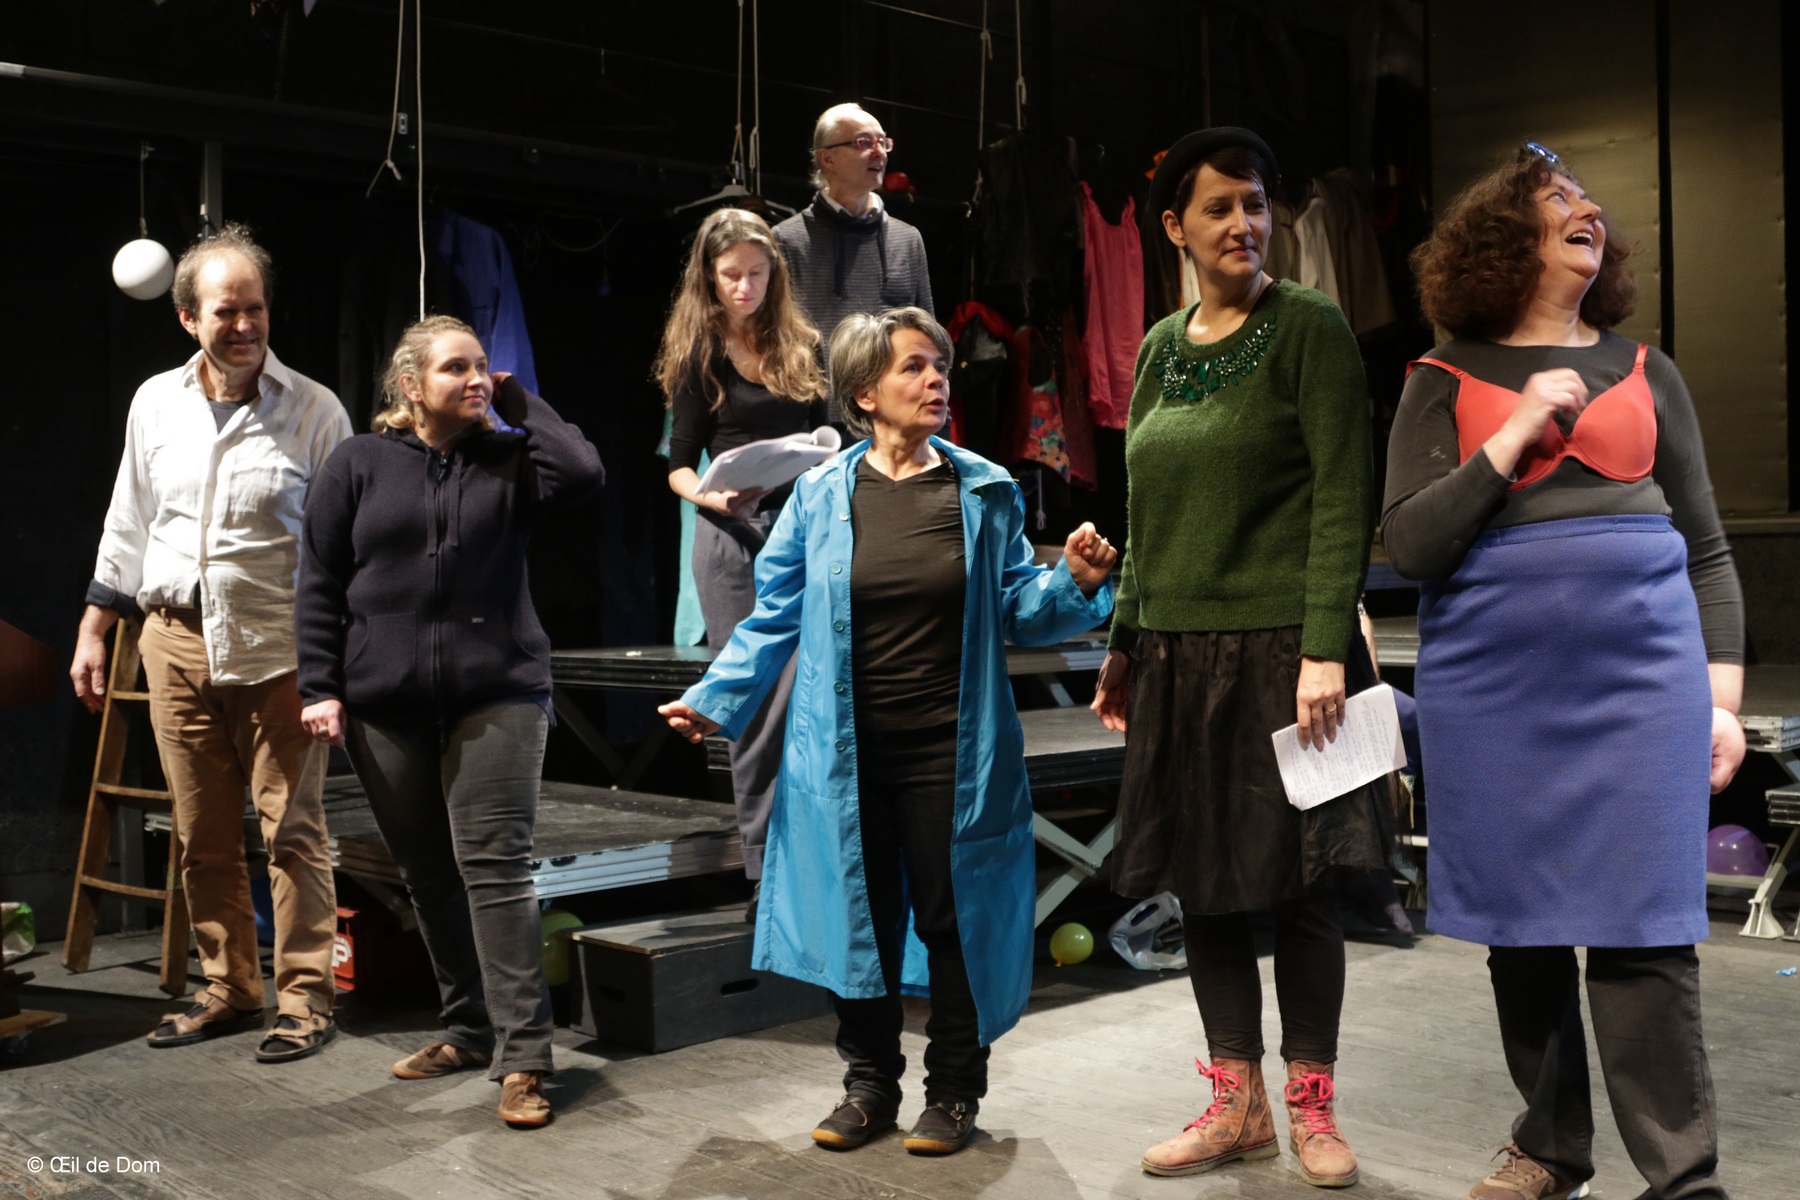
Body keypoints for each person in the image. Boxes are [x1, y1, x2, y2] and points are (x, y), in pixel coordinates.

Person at [658, 307, 1115, 1156]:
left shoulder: (983, 489)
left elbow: (1021, 609)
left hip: (954, 749)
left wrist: (1076, 582)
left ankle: (954, 1090)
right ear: (864, 392)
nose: (936, 380)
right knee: (856, 916)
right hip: (844, 751)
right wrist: (716, 696)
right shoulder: (819, 497)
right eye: (914, 367)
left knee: (953, 919)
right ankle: (869, 1085)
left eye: (939, 366)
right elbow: (774, 616)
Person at [1382, 142, 1745, 1200]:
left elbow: (1709, 550)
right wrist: (1511, 438)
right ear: (1506, 239)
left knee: (1648, 932)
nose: (1587, 210)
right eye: (1557, 201)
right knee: (1523, 929)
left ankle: (1684, 1179)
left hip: (1643, 686)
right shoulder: (1440, 377)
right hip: (1494, 695)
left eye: (1588, 199)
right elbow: (1411, 545)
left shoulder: (1647, 371)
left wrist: (1722, 702)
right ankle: (1552, 1150)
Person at [1089, 127, 1383, 1189]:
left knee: (1303, 886)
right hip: (1177, 653)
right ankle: (1237, 1102)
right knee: (1204, 885)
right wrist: (1126, 641)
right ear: (1175, 226)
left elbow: (1344, 495)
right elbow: (1145, 511)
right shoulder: (1160, 348)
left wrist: (1323, 649)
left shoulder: (1308, 326)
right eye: (1218, 207)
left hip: (1284, 653)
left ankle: (1312, 1104)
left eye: (1255, 204)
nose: (1243, 224)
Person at [294, 316, 603, 1127]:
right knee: (428, 875)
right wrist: (320, 685)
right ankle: (468, 1029)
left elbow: (582, 473)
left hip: (497, 692)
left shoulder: (508, 457)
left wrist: (514, 398)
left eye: (481, 366)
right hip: (383, 701)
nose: (474, 379)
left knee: (495, 868)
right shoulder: (358, 463)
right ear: (409, 385)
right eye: (454, 368)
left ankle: (525, 1058)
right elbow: (319, 579)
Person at [71, 223, 349, 1063]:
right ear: (188, 318)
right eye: (226, 311)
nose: (245, 325)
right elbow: (129, 518)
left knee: (293, 831)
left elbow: (342, 548)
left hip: (278, 648)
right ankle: (229, 986)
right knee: (202, 833)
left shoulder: (315, 410)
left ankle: (305, 999)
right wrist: (95, 626)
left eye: (254, 308)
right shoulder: (155, 402)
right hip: (173, 641)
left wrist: (335, 663)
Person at [655, 208, 828, 908]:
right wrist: (712, 496)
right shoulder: (701, 355)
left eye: (757, 273)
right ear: (709, 277)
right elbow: (678, 465)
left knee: (814, 695)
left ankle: (814, 857)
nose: (745, 287)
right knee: (753, 701)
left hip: (802, 527)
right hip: (731, 533)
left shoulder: (801, 346)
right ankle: (764, 870)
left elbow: (830, 437)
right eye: (731, 275)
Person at [773, 103, 933, 405]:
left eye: (882, 142)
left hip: (892, 414)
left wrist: (938, 420)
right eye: (863, 142)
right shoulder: (787, 240)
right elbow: (775, 339)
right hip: (817, 415)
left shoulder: (907, 239)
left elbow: (928, 339)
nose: (879, 152)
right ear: (827, 158)